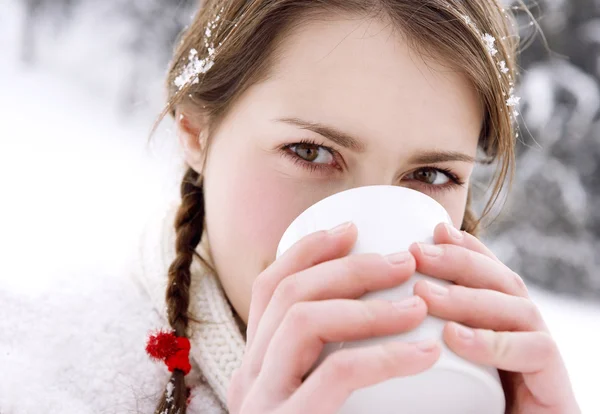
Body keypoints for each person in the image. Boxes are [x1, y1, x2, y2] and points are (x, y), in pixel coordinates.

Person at [0, 0, 580, 413]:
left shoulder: (471, 395)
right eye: (311, 151)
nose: (356, 231)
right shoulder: (38, 373)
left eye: (430, 175)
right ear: (196, 131)